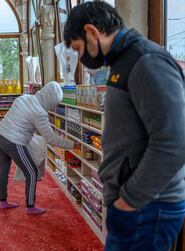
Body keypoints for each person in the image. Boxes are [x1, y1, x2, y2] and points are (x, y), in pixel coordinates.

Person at [64, 2, 185, 250]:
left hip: (148, 207)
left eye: (78, 48)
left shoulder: (146, 61)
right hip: (137, 204)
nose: (80, 58)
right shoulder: (125, 62)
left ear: (91, 32)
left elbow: (174, 141)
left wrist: (129, 200)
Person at [0, 81, 75, 215]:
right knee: (32, 172)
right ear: (50, 100)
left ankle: (3, 202)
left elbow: (21, 120)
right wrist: (72, 145)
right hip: (13, 142)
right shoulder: (40, 113)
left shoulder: (23, 97)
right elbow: (51, 139)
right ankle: (30, 206)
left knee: (3, 171)